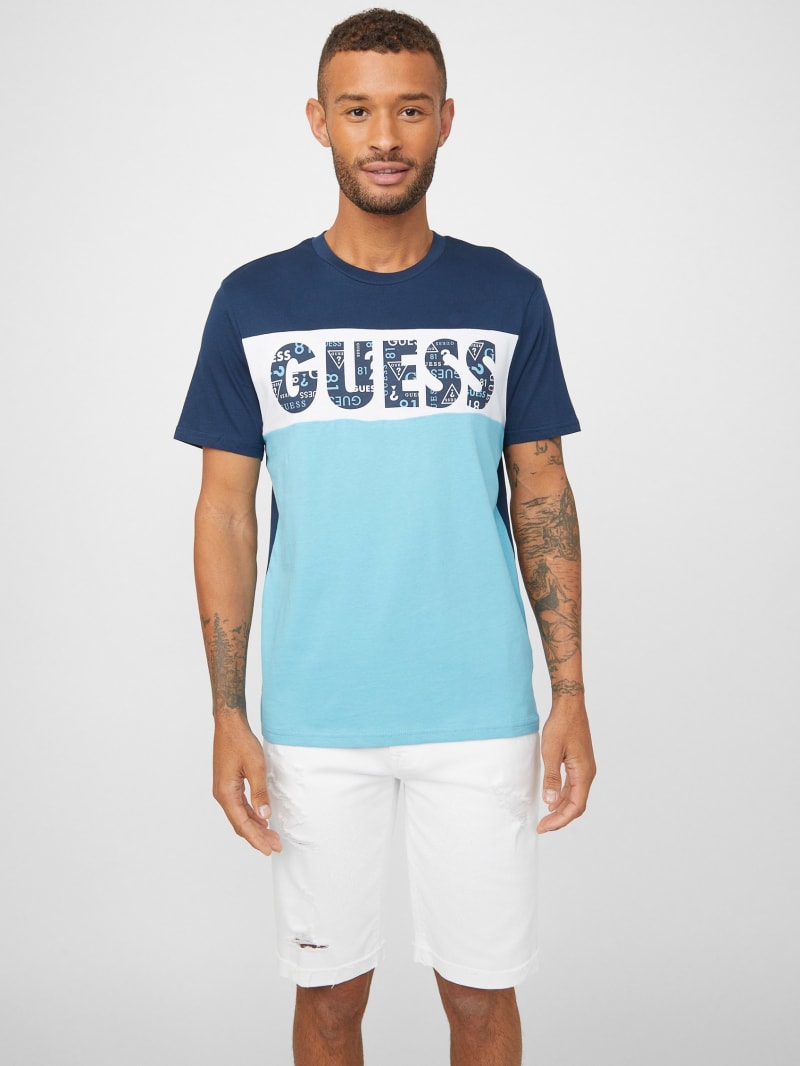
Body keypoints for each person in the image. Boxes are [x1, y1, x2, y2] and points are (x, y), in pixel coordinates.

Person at [175, 9, 595, 1065]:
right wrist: (226, 711)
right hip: (317, 712)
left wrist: (570, 693)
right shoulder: (252, 302)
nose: (384, 137)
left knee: (481, 1000)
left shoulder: (506, 294)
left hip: (480, 709)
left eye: (409, 110)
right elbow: (224, 511)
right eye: (357, 110)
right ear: (318, 121)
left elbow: (541, 488)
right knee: (327, 1001)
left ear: (445, 120)